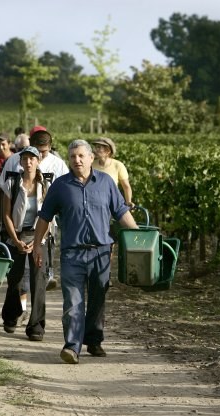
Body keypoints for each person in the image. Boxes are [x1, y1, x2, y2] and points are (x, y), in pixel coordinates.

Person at [32, 139, 138, 364]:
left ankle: (94, 339)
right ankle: (72, 346)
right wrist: (37, 245)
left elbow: (121, 212)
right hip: (72, 253)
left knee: (98, 297)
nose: (77, 160)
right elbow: (44, 217)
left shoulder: (107, 183)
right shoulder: (60, 186)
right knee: (73, 301)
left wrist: (139, 235)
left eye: (81, 156)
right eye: (73, 157)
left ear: (91, 158)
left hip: (101, 252)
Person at [0, 126, 68, 291]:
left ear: (50, 148)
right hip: (18, 223)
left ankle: (46, 278)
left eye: (44, 152)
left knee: (39, 268)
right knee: (17, 274)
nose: (40, 156)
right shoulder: (15, 160)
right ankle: (20, 306)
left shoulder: (57, 164)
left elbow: (65, 192)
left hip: (45, 224)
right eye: (38, 151)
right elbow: (2, 189)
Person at [0, 146, 50, 341]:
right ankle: (11, 316)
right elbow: (6, 214)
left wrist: (37, 241)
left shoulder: (45, 184)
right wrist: (15, 240)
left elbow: (49, 215)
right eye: (25, 159)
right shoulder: (12, 183)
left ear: (38, 161)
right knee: (15, 278)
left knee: (39, 281)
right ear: (20, 162)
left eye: (32, 159)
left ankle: (36, 326)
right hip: (17, 235)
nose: (28, 162)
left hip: (39, 235)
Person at [91, 137, 134, 207]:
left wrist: (128, 202)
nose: (95, 150)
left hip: (112, 203)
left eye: (99, 147)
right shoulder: (91, 164)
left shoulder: (118, 165)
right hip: (94, 203)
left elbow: (126, 187)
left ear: (108, 151)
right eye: (95, 147)